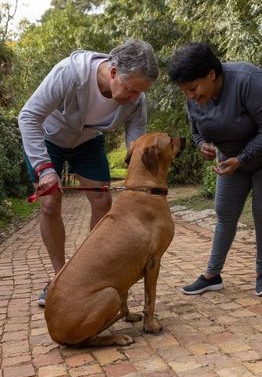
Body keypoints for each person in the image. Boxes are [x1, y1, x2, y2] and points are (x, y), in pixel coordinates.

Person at [18, 39, 159, 305]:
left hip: (87, 141)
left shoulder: (137, 97)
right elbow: (28, 116)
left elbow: (136, 143)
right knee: (49, 203)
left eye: (139, 93)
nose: (134, 98)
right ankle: (60, 279)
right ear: (114, 72)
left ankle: (87, 272)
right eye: (130, 91)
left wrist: (141, 175)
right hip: (49, 137)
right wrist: (45, 168)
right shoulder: (70, 74)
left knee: (103, 201)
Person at [168, 42, 262, 297]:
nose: (190, 96)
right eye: (185, 91)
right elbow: (196, 132)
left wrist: (243, 158)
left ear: (211, 74)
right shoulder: (193, 98)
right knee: (224, 214)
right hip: (231, 160)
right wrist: (202, 144)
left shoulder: (248, 79)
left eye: (193, 88)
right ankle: (212, 275)